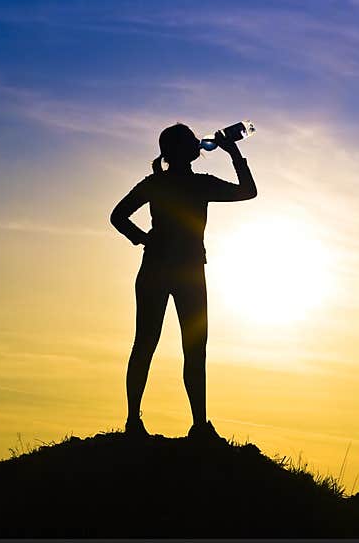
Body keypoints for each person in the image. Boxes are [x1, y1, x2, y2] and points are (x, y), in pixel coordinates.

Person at [110, 123, 257, 439]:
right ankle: (193, 425)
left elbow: (118, 216)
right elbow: (248, 191)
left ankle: (139, 421)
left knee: (149, 344)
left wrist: (143, 238)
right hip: (185, 270)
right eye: (190, 139)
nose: (196, 141)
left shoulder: (158, 183)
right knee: (185, 349)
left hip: (161, 268)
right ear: (180, 149)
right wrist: (234, 152)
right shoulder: (195, 184)